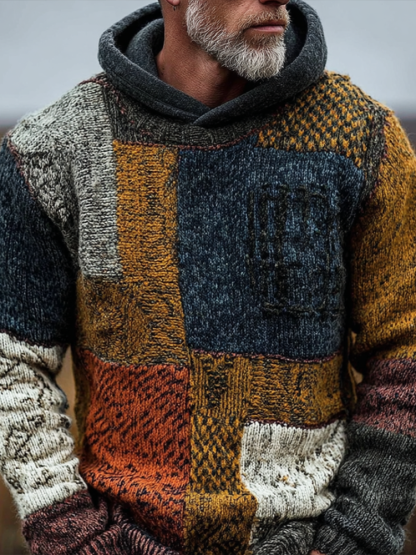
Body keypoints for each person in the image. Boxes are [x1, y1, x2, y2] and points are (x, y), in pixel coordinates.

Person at [0, 0, 415, 553]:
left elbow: (405, 352)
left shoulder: (361, 140)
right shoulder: (53, 150)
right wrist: (73, 536)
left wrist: (355, 537)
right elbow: (12, 365)